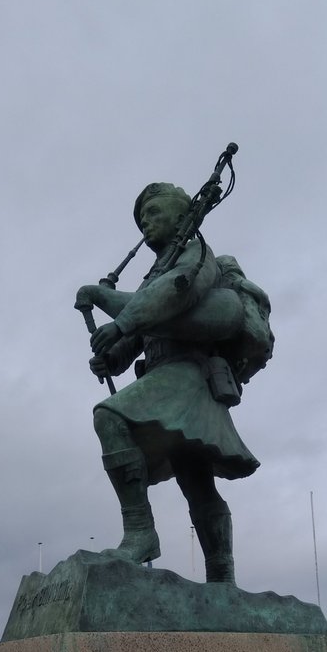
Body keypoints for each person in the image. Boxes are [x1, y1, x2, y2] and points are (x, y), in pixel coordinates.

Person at [76, 181, 264, 583]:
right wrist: (110, 356)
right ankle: (222, 576)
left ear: (181, 216)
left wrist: (117, 315)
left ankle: (141, 533)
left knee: (109, 417)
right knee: (195, 479)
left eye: (155, 213)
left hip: (189, 374)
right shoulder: (153, 277)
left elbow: (176, 298)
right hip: (165, 373)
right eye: (142, 217)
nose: (146, 222)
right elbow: (139, 339)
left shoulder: (196, 255)